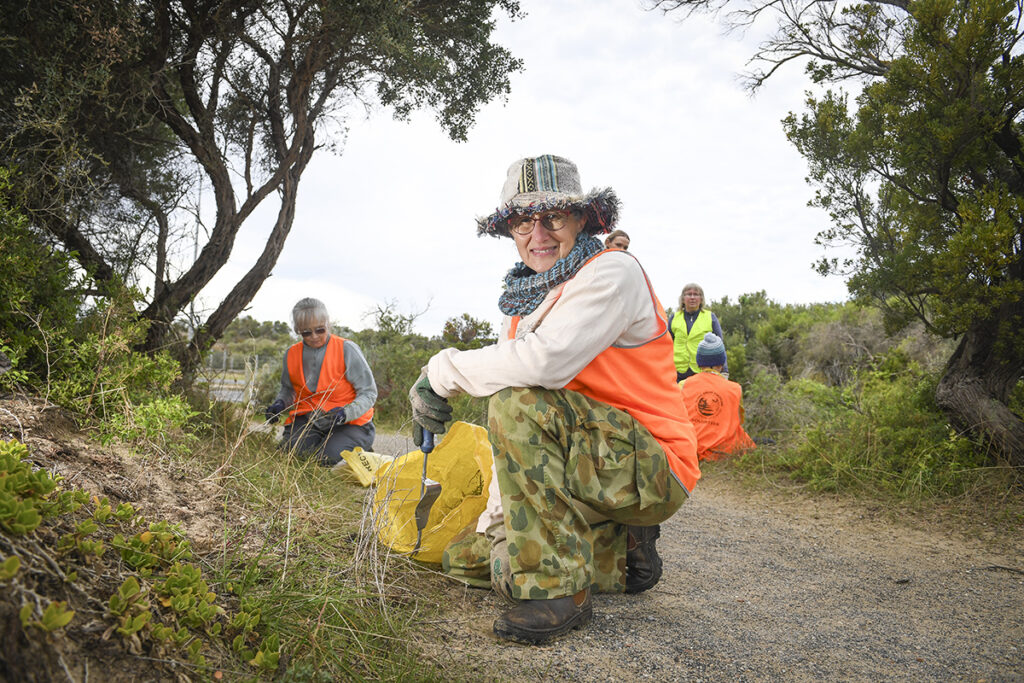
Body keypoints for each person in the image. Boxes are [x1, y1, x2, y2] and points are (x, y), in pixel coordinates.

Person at [407, 154, 700, 645]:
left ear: (583, 219)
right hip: (590, 465)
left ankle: (556, 589)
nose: (538, 233)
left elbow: (541, 368)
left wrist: (441, 371)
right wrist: (500, 527)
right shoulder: (524, 307)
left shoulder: (613, 271)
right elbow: (518, 428)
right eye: (524, 220)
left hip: (652, 466)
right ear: (510, 230)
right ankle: (619, 554)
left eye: (554, 217)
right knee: (467, 557)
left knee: (515, 403)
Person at [264, 298, 377, 466]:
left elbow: (369, 393)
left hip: (349, 422)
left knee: (326, 460)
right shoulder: (291, 354)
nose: (314, 337)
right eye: (306, 333)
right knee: (291, 455)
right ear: (297, 331)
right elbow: (289, 390)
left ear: (328, 324)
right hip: (309, 420)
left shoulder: (347, 349)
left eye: (319, 330)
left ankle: (359, 445)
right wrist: (280, 404)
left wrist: (346, 413)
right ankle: (323, 442)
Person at [680, 333, 756, 461]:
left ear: (699, 363)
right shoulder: (735, 389)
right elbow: (739, 421)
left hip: (691, 449)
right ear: (721, 363)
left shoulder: (683, 385)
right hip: (725, 452)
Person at [668, 282, 727, 381]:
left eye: (696, 294)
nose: (692, 297)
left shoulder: (710, 317)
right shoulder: (674, 317)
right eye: (689, 294)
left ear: (701, 299)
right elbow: (667, 344)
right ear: (683, 298)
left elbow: (720, 345)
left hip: (703, 371)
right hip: (677, 372)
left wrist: (724, 370)